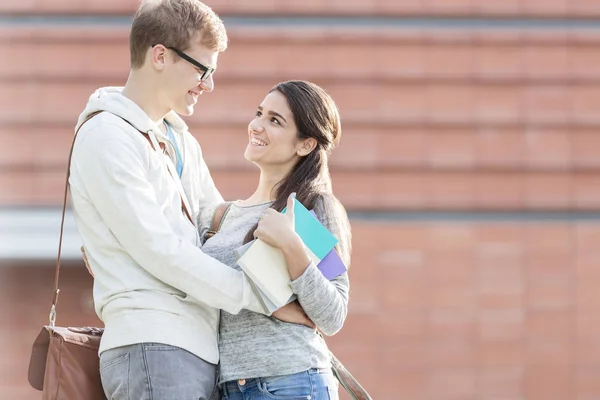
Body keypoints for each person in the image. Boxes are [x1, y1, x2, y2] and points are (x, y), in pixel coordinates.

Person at [70, 1, 306, 399]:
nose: (208, 85)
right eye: (202, 69)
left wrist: (308, 230)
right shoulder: (108, 137)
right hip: (153, 345)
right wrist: (263, 299)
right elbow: (159, 250)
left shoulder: (179, 140)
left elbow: (220, 228)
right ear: (160, 55)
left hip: (199, 349)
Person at [198, 80, 352, 400]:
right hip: (231, 386)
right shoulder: (220, 217)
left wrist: (291, 245)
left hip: (291, 381)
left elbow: (333, 313)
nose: (257, 126)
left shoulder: (308, 210)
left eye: (275, 121)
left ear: (305, 144)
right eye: (259, 113)